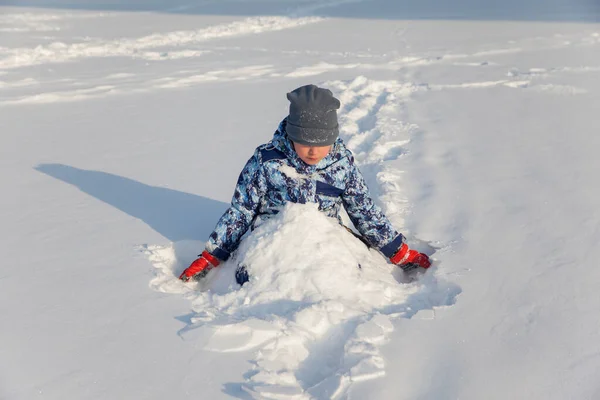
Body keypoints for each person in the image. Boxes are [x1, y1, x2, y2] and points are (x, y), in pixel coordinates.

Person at [179, 84, 431, 284]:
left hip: (325, 236)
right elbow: (241, 210)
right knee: (256, 278)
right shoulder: (266, 161)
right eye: (305, 142)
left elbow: (363, 210)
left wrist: (397, 251)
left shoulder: (341, 165)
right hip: (271, 238)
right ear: (291, 135)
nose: (314, 151)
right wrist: (213, 255)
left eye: (322, 143)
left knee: (343, 275)